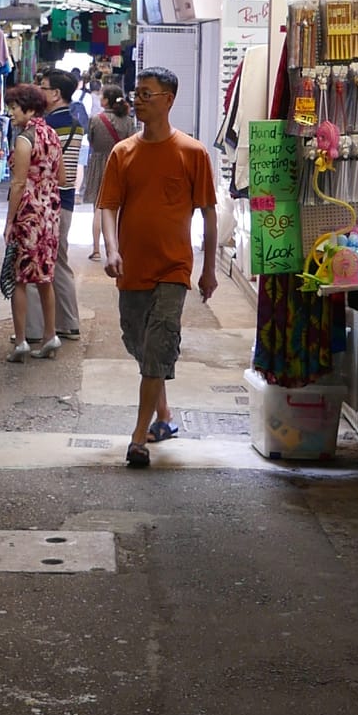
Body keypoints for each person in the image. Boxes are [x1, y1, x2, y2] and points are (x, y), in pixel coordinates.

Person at [98, 64, 217, 467]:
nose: (138, 99)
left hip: (173, 269)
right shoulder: (123, 152)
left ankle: (138, 438)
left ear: (169, 99)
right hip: (131, 268)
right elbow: (108, 207)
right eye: (137, 92)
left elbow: (209, 214)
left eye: (147, 94)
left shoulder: (193, 152)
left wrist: (208, 268)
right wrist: (112, 250)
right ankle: (164, 415)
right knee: (139, 342)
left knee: (159, 344)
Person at [2, 83, 63, 359]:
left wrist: (9, 221)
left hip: (29, 216)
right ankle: (50, 335)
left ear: (28, 108)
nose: (11, 113)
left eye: (14, 108)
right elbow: (62, 178)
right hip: (50, 214)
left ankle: (21, 342)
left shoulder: (25, 139)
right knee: (45, 277)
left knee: (20, 278)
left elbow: (17, 184)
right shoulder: (51, 135)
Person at [40, 68, 87, 337]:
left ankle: (66, 323)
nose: (40, 91)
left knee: (53, 262)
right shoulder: (75, 123)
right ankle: (66, 322)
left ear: (56, 94)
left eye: (44, 87)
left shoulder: (50, 126)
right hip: (66, 199)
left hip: (51, 200)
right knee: (59, 260)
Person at [81, 80, 137, 260]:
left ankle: (96, 249)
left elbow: (91, 140)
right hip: (122, 164)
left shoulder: (96, 120)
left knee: (98, 207)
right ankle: (116, 248)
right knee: (119, 208)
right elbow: (134, 143)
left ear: (106, 101)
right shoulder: (128, 121)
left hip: (98, 163)